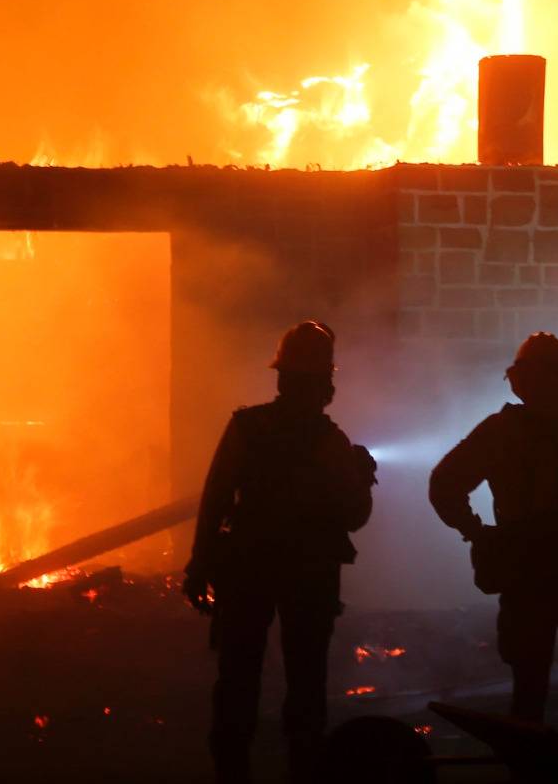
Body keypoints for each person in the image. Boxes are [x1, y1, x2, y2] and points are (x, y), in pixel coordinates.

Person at [183, 321, 376, 783]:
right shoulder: (332, 444)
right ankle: (302, 769)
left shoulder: (248, 427)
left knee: (237, 679)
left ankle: (232, 771)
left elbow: (216, 497)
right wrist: (363, 476)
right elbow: (353, 517)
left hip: (247, 568)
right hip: (309, 576)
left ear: (282, 376)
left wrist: (199, 563)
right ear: (324, 381)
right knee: (306, 683)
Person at [429, 332, 558, 735]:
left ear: (520, 380)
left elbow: (445, 485)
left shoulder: (501, 432)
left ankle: (529, 769)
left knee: (529, 688)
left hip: (527, 572)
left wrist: (478, 533)